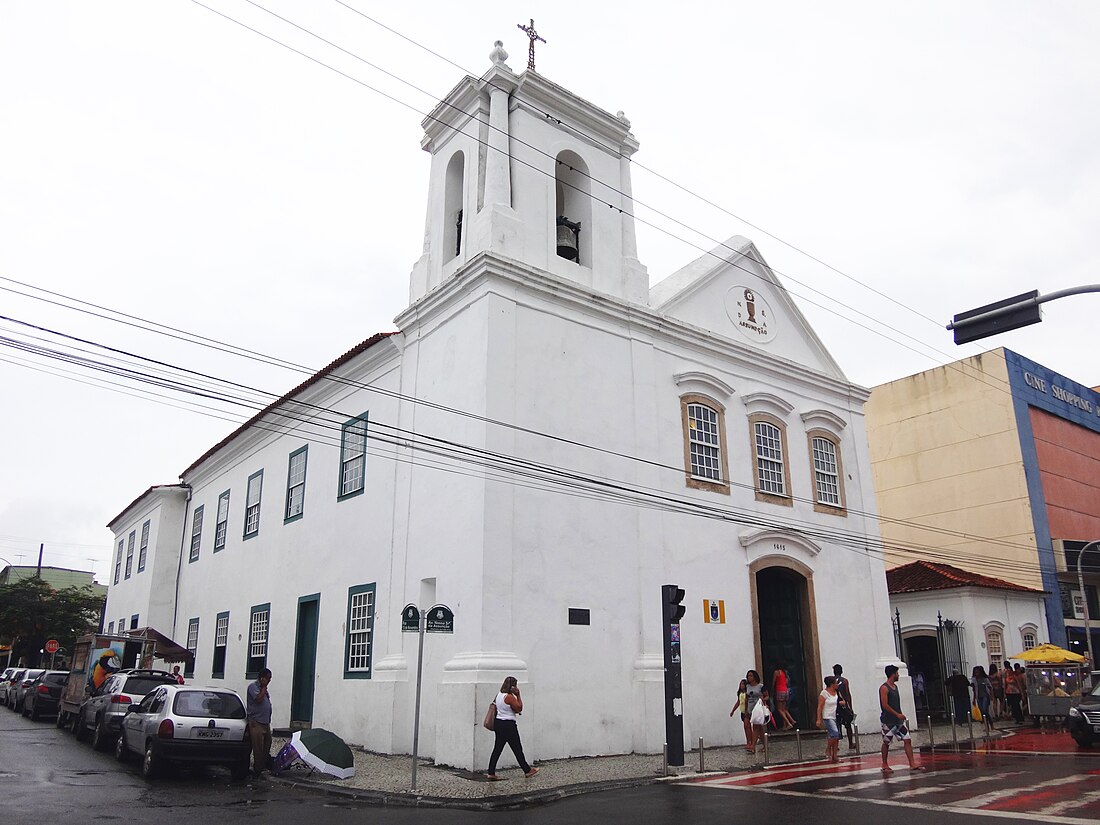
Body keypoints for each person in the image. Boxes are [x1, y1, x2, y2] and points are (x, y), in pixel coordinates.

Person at [486, 676, 539, 780]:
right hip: (508, 725)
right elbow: (519, 707)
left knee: (497, 749)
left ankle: (491, 772)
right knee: (517, 749)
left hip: (499, 723)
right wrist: (518, 695)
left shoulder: (499, 695)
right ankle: (527, 770)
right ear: (513, 686)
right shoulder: (509, 697)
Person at [879, 664, 924, 776]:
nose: (898, 675)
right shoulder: (884, 688)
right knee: (886, 742)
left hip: (898, 721)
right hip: (888, 721)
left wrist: (899, 715)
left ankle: (912, 763)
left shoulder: (895, 687)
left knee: (907, 739)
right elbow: (885, 705)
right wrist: (897, 714)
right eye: (897, 673)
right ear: (892, 674)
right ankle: (884, 764)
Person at [246, 668, 273, 778]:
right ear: (262, 678)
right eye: (268, 678)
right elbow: (259, 699)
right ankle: (257, 770)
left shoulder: (264, 689)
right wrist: (263, 687)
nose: (269, 681)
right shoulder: (253, 687)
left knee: (267, 744)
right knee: (258, 747)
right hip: (256, 721)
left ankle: (262, 765)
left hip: (265, 722)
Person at [816, 676, 843, 763]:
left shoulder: (837, 692)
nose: (837, 685)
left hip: (836, 716)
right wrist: (819, 719)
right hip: (828, 716)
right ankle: (828, 749)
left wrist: (842, 703)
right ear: (831, 684)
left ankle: (835, 756)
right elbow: (820, 707)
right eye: (836, 683)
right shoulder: (824, 693)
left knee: (836, 736)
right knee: (834, 733)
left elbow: (842, 701)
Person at [743, 669, 770, 753]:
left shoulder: (761, 686)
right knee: (749, 725)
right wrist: (746, 709)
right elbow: (746, 698)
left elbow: (767, 696)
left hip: (757, 709)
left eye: (750, 676)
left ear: (755, 677)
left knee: (756, 727)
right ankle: (765, 745)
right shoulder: (747, 687)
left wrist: (763, 699)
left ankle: (753, 746)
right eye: (748, 676)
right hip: (749, 708)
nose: (749, 677)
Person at [833, 663, 856, 749]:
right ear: (841, 671)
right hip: (844, 705)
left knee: (836, 725)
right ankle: (850, 743)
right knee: (848, 725)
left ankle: (836, 745)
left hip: (836, 706)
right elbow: (847, 694)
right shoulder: (845, 681)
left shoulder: (832, 681)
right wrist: (850, 706)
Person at [771, 663, 797, 730]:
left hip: (779, 691)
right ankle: (791, 721)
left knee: (779, 709)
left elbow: (774, 682)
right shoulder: (784, 673)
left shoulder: (776, 672)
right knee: (784, 709)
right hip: (786, 690)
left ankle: (789, 723)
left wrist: (772, 690)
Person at [730, 678, 752, 751]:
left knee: (747, 726)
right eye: (740, 684)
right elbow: (738, 702)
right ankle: (748, 741)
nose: (741, 686)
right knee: (746, 727)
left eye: (742, 684)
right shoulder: (740, 693)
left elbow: (747, 702)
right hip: (742, 711)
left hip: (747, 712)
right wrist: (733, 710)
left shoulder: (747, 693)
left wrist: (746, 711)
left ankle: (750, 742)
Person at [972, 666, 993, 730]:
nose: (976, 673)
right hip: (978, 697)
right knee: (982, 712)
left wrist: (992, 696)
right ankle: (986, 726)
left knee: (985, 710)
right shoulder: (974, 679)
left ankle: (990, 724)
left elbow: (990, 687)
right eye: (975, 672)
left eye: (977, 672)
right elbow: (974, 690)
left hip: (985, 696)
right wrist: (974, 699)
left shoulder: (985, 679)